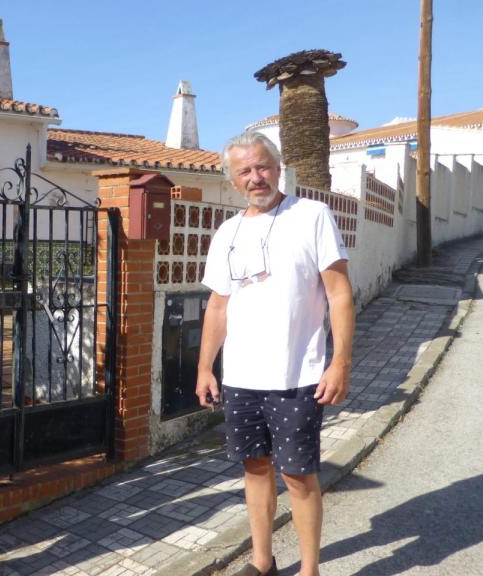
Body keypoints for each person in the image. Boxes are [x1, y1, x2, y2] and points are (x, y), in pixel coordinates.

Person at [196, 132, 354, 576]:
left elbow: (339, 294)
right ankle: (262, 562)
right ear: (233, 179)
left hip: (297, 375)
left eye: (262, 166)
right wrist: (206, 367)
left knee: (298, 476)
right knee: (255, 469)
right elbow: (218, 305)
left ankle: (309, 570)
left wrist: (339, 362)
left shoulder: (312, 216)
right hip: (241, 377)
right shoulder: (228, 232)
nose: (255, 177)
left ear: (278, 166)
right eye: (245, 170)